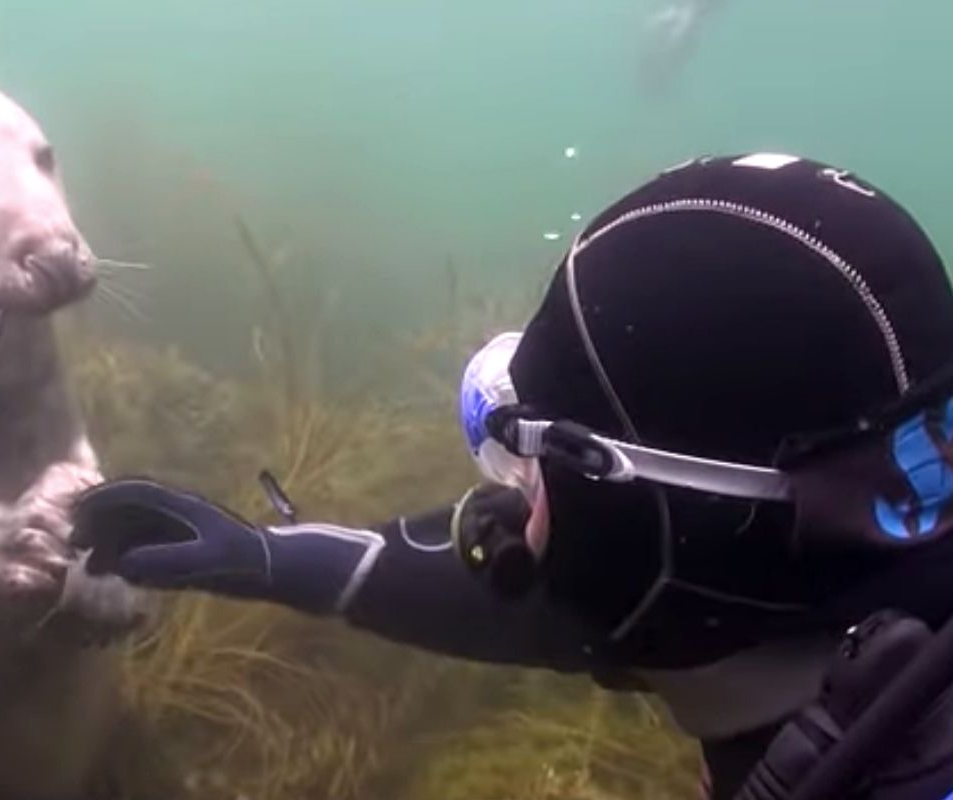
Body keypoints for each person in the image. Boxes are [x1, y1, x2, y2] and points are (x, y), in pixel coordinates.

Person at [69, 153, 953, 799]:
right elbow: (556, 592)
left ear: (678, 528)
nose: (509, 498)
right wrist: (268, 559)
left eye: (534, 451)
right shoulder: (816, 594)